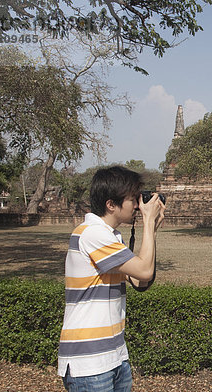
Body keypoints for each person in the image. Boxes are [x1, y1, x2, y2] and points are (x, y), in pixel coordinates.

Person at [57, 166, 165, 392]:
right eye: (133, 198)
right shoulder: (91, 234)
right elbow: (144, 271)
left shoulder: (110, 237)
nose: (137, 204)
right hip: (90, 364)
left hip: (114, 355)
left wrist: (151, 229)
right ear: (111, 204)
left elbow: (140, 281)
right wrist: (147, 222)